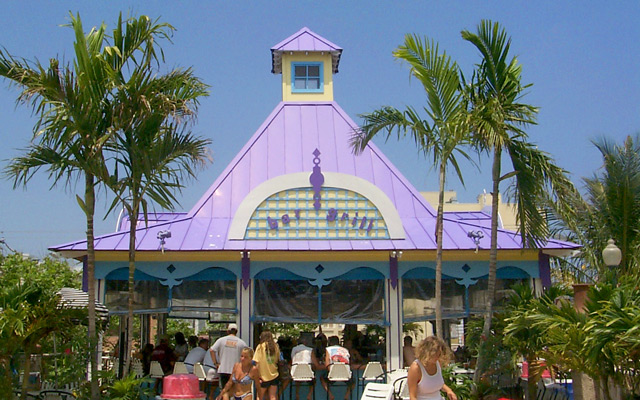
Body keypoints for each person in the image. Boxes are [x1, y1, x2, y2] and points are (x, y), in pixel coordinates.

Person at [209, 323, 248, 395]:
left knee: (224, 391)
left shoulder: (221, 340)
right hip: (236, 371)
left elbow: (211, 350)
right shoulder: (241, 343)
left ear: (228, 331)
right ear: (236, 332)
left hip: (223, 369)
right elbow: (247, 354)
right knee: (234, 391)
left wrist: (216, 363)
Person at [323, 336, 352, 400]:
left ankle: (330, 395)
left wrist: (331, 372)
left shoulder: (328, 349)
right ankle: (347, 395)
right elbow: (349, 362)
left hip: (333, 376)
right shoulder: (345, 349)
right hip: (346, 376)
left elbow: (327, 363)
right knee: (353, 380)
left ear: (330, 342)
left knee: (322, 378)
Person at [253, 330, 280, 400]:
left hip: (263, 376)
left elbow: (257, 363)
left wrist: (257, 376)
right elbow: (277, 360)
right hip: (274, 374)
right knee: (272, 396)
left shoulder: (260, 347)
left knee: (259, 397)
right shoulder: (276, 347)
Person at [290, 335, 316, 400]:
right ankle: (309, 395)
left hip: (295, 374)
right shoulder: (310, 350)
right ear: (305, 343)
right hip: (307, 374)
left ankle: (297, 393)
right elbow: (314, 363)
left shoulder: (294, 349)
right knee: (314, 381)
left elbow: (292, 359)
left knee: (298, 378)